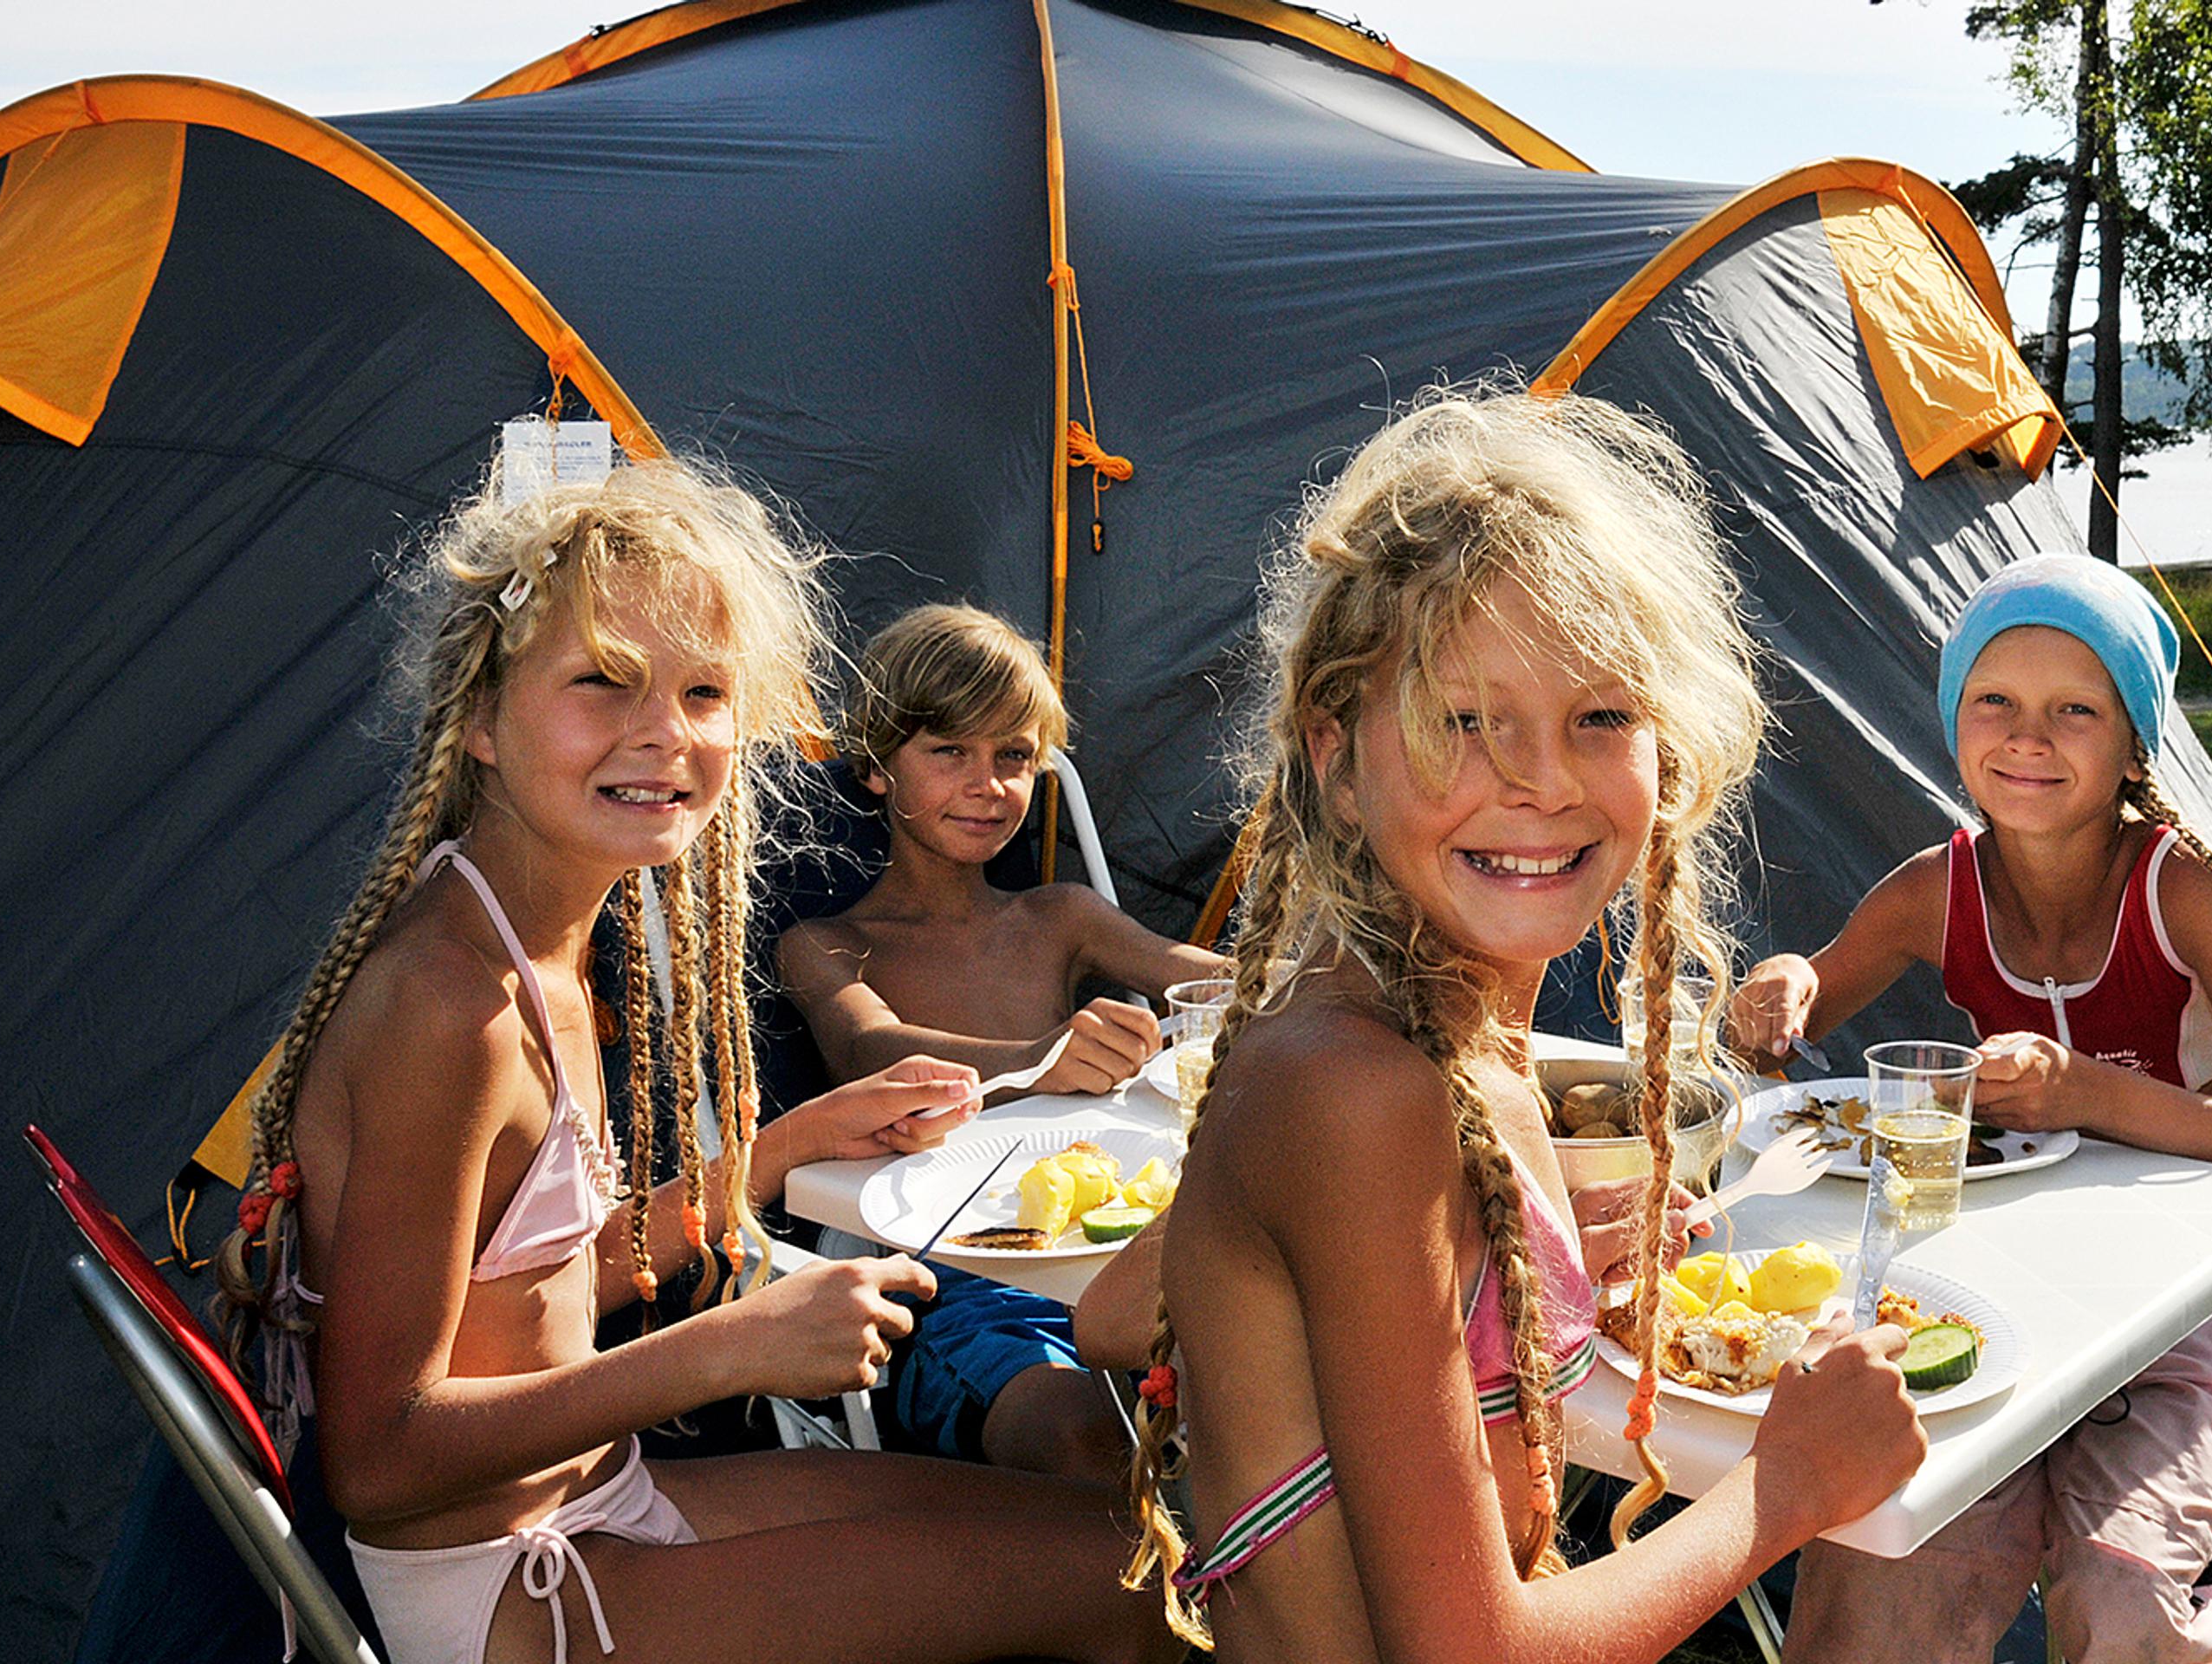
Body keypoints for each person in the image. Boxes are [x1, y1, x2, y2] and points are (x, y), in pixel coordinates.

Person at [213, 460, 1171, 1664]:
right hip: (515, 1592)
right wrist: (725, 1350)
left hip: (599, 1510)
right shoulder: (448, 1008)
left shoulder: (537, 942)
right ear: (480, 720)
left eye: (706, 692)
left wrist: (782, 1152)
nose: (663, 732)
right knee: (1137, 1592)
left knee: (1119, 1534)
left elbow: (535, 1296)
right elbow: (380, 1459)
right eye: (604, 682)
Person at [1078, 387, 1929, 1661]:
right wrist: (1787, 1487)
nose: (1538, 779)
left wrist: (1492, 1259)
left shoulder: (1448, 1051)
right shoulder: (1359, 1091)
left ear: (1667, 753)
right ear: (1337, 759)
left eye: (1601, 716)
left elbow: (1131, 1309)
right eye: (1463, 722)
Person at [1731, 552, 2212, 1664]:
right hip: (1996, 1307)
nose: (2029, 738)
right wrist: (1780, 981)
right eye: (1997, 703)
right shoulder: (1941, 887)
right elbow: (1804, 993)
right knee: (1880, 1557)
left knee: (2117, 1593)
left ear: (2135, 742)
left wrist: (2095, 1096)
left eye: (2075, 710)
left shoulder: (2189, 897)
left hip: (2188, 1330)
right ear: (1955, 723)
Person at [775, 602, 1222, 1480]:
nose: (989, 785)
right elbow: (875, 1051)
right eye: (950, 753)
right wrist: (1040, 1060)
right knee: (1080, 1435)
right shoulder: (826, 943)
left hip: (1112, 1250)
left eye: (1013, 756)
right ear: (876, 771)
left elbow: (1208, 979)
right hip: (941, 1277)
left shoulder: (1058, 915)